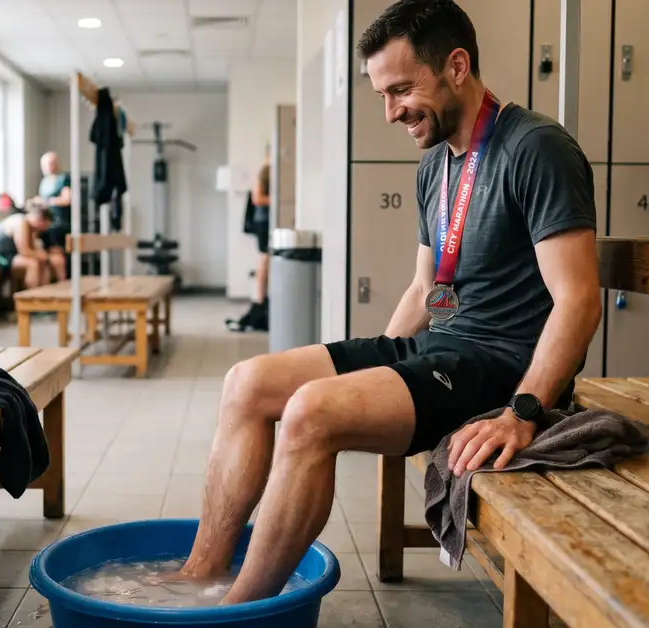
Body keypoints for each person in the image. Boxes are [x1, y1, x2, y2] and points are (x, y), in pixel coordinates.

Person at [175, 0, 602, 605]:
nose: (390, 111)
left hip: (498, 364)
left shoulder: (536, 149)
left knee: (310, 412)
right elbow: (425, 288)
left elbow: (579, 300)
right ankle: (201, 574)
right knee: (247, 381)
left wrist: (524, 410)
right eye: (382, 93)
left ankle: (239, 610)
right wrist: (385, 368)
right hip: (438, 348)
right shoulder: (434, 168)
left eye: (401, 89)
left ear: (457, 66)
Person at [227, 147, 273, 332]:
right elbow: (258, 198)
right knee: (264, 259)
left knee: (267, 261)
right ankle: (260, 300)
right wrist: (278, 199)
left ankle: (262, 300)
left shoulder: (277, 172)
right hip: (264, 222)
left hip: (270, 221)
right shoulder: (265, 172)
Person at [0, 206, 52, 290]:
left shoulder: (30, 227)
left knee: (42, 262)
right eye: (45, 226)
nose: (44, 229)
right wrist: (45, 256)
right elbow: (25, 251)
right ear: (41, 221)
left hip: (8, 255)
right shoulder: (21, 221)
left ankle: (43, 296)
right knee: (32, 264)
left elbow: (32, 250)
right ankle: (30, 299)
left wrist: (43, 257)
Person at [32, 151, 73, 282]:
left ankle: (63, 281)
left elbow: (68, 199)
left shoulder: (63, 179)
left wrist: (48, 201)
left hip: (60, 223)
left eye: (50, 164)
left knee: (57, 252)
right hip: (46, 223)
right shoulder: (44, 182)